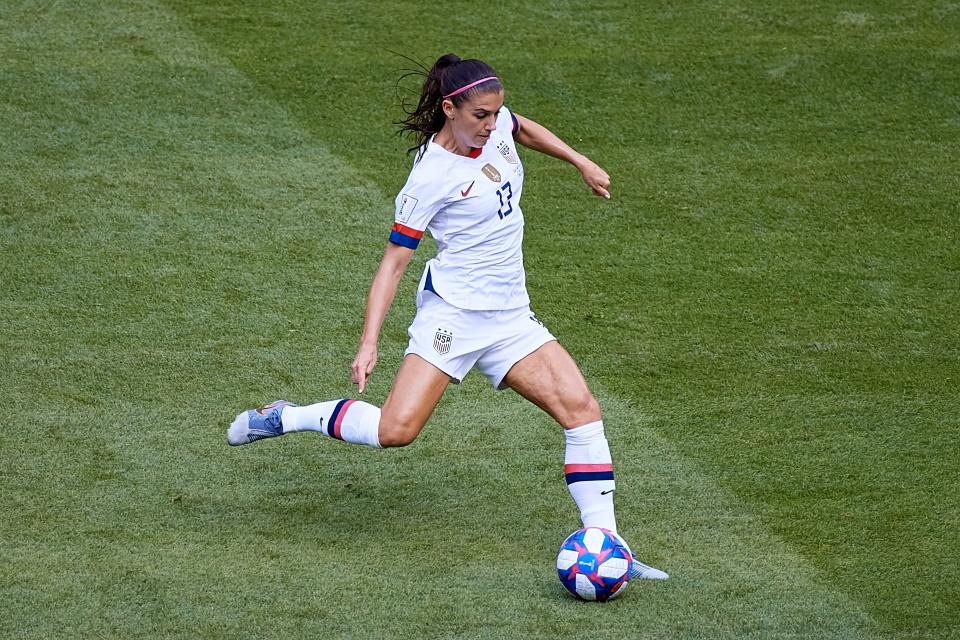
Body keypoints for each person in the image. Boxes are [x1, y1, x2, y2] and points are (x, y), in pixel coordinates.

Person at [227, 54, 668, 580]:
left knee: (582, 410)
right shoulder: (429, 178)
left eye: (495, 112)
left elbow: (522, 128)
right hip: (453, 319)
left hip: (510, 316)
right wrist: (369, 344)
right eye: (480, 115)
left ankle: (609, 545)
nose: (491, 123)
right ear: (449, 108)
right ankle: (287, 415)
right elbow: (393, 264)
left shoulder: (496, 123)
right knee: (396, 430)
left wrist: (579, 161)